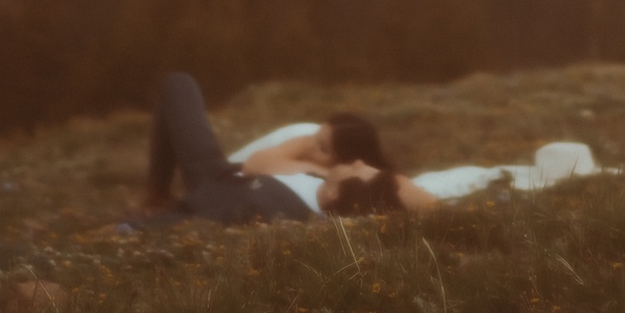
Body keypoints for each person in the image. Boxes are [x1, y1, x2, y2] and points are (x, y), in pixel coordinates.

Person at [141, 72, 438, 223]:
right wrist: (312, 149)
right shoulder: (320, 163)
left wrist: (307, 164)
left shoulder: (335, 185)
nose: (309, 148)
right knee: (177, 83)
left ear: (343, 162)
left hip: (216, 183)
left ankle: (159, 202)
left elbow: (254, 165)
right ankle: (157, 194)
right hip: (219, 172)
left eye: (320, 147)